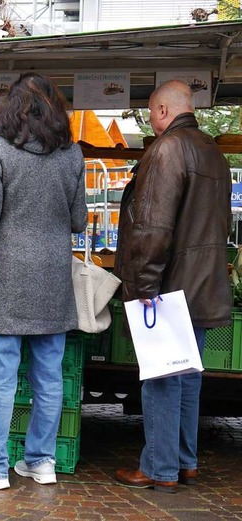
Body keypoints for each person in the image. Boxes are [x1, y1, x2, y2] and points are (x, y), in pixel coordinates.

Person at [0, 73, 87, 490]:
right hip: (53, 279)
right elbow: (80, 220)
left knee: (1, 377)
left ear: (11, 109)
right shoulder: (74, 155)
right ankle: (41, 461)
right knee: (49, 378)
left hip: (6, 280)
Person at [113, 80, 232, 493]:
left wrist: (143, 288)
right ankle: (184, 461)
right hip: (202, 284)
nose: (149, 119)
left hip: (167, 287)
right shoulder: (212, 151)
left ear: (163, 110)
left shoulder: (167, 150)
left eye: (150, 111)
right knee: (187, 376)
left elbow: (151, 229)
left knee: (162, 378)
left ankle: (160, 467)